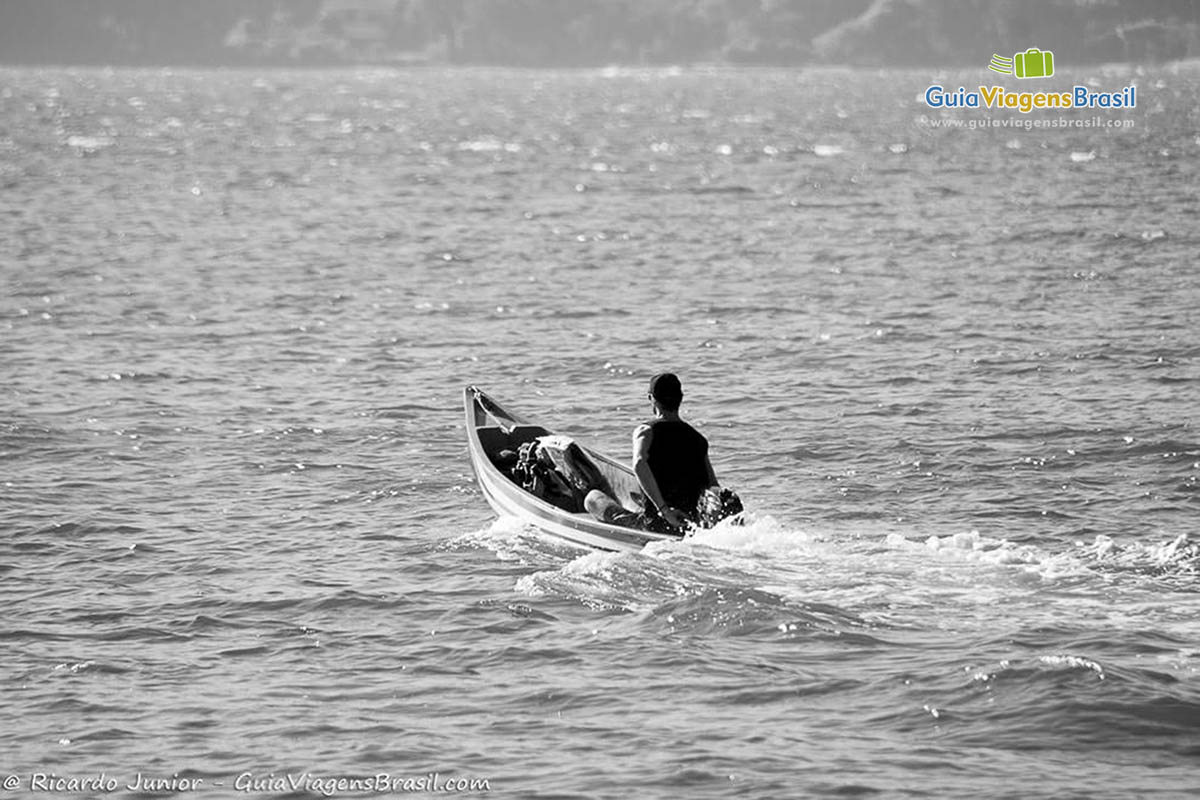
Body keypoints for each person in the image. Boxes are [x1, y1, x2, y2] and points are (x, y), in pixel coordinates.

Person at [585, 373, 718, 533]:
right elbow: (713, 486)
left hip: (655, 524)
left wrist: (664, 510)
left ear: (651, 398)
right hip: (689, 526)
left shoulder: (646, 431)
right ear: (680, 399)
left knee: (592, 498)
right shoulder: (699, 440)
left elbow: (639, 464)